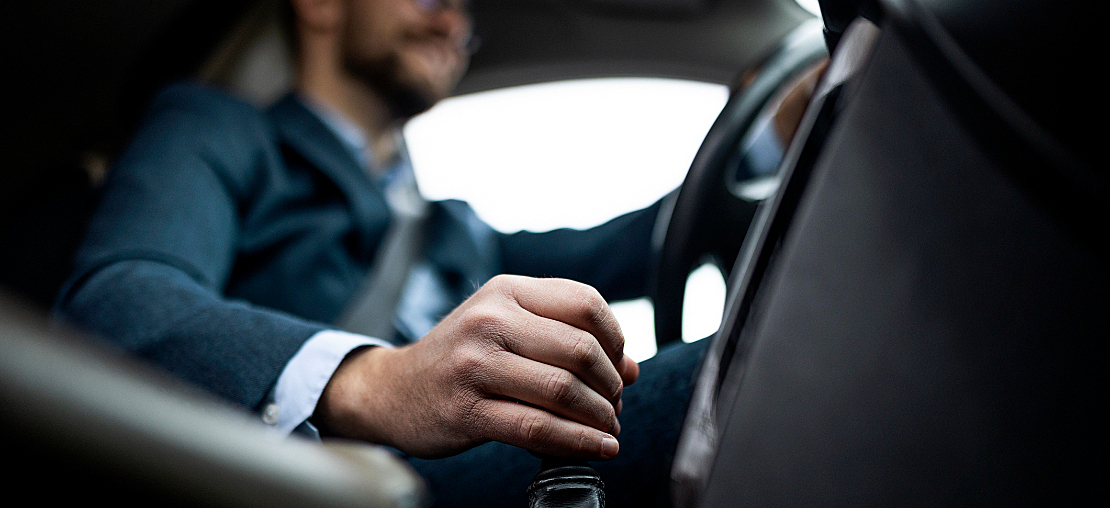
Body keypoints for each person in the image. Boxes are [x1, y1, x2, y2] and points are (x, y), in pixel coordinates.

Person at [54, 0, 707, 505]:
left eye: (463, 13)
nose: (454, 20)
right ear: (320, 4)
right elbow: (116, 298)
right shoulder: (218, 128)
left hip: (471, 470)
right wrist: (374, 382)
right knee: (720, 378)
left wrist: (767, 144)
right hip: (314, 482)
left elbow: (630, 246)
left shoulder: (455, 225)